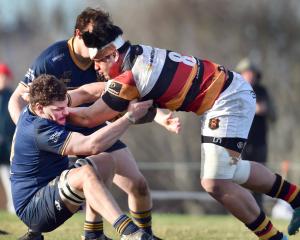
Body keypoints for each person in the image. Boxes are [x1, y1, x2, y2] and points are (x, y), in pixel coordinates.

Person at [67, 10, 300, 239]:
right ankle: (296, 200)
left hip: (227, 98)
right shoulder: (136, 53)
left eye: (97, 62)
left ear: (111, 55)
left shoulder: (130, 77)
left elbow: (89, 117)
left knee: (215, 182)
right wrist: (64, 101)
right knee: (229, 171)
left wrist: (54, 111)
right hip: (227, 92)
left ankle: (275, 235)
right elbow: (97, 94)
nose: (95, 68)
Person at [8, 8, 180, 240]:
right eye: (93, 36)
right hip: (63, 135)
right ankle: (130, 233)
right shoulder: (52, 60)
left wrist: (158, 115)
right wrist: (24, 142)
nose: (99, 43)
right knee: (85, 174)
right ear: (78, 34)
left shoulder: (105, 57)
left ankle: (111, 234)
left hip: (93, 128)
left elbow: (104, 91)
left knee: (133, 181)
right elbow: (16, 100)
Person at [10, 74, 155, 240]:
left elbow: (84, 93)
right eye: (58, 110)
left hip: (47, 191)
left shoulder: (38, 110)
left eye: (65, 106)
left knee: (106, 160)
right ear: (39, 108)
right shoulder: (38, 128)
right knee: (85, 173)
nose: (66, 113)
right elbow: (91, 145)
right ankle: (130, 233)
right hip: (34, 208)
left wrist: (127, 86)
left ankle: (93, 234)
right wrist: (129, 117)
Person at [236, 58, 276, 209]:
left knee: (260, 176)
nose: (250, 76)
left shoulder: (262, 91)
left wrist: (263, 110)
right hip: (240, 140)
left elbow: (272, 114)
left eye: (252, 73)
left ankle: (258, 208)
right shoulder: (236, 90)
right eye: (246, 73)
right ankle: (243, 208)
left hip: (260, 141)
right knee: (240, 175)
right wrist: (254, 109)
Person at [0, 63, 15, 213]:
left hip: (6, 147)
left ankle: (13, 208)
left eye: (5, 77)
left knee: (8, 177)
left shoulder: (11, 96)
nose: (3, 80)